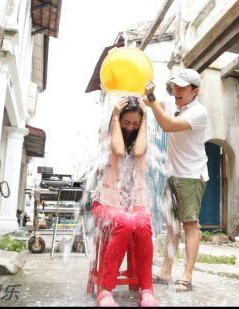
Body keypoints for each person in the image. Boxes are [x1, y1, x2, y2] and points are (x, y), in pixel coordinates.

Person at [143, 69, 208, 292]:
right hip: (173, 175)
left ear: (195, 91)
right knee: (171, 226)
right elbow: (148, 101)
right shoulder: (173, 105)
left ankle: (187, 277)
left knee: (189, 224)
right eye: (174, 86)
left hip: (191, 175)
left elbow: (168, 125)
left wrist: (151, 101)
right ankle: (165, 272)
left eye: (182, 87)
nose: (176, 90)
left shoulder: (199, 112)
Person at [93, 97, 158, 307]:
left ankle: (147, 290)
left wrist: (146, 118)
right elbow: (119, 151)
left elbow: (138, 152)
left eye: (135, 124)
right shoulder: (107, 134)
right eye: (126, 122)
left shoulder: (143, 139)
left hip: (134, 204)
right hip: (105, 203)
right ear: (118, 120)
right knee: (125, 222)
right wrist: (114, 116)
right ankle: (105, 291)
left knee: (142, 224)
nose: (130, 127)